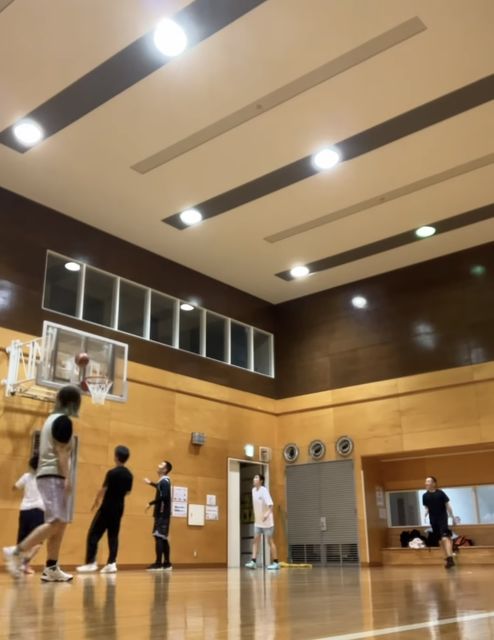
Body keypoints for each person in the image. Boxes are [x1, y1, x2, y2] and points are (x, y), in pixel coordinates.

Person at [3, 385, 81, 581]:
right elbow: (62, 452)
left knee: (60, 524)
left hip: (49, 475)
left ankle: (51, 567)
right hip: (54, 475)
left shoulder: (51, 420)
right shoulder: (63, 421)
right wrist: (68, 478)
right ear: (73, 403)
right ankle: (17, 551)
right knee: (55, 522)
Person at [76, 445, 133, 574]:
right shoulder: (129, 475)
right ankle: (112, 563)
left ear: (116, 457)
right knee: (113, 535)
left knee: (93, 533)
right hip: (119, 508)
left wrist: (96, 500)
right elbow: (128, 492)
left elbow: (104, 489)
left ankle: (90, 562)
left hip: (107, 507)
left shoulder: (112, 473)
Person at [12, 454, 45, 574]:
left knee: (22, 539)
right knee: (38, 541)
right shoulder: (45, 478)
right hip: (38, 510)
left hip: (25, 509)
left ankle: (19, 565)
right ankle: (25, 563)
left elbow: (14, 487)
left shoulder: (26, 476)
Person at [245, 474, 280, 570]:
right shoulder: (253, 490)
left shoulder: (264, 490)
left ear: (261, 481)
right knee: (255, 541)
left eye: (256, 477)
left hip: (267, 522)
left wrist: (267, 514)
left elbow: (271, 505)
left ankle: (276, 563)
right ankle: (253, 562)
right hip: (258, 522)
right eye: (254, 477)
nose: (254, 479)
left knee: (270, 542)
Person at [144, 461, 172, 571]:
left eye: (161, 465)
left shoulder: (165, 482)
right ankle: (167, 563)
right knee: (162, 538)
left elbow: (164, 497)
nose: (158, 465)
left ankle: (158, 563)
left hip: (162, 514)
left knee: (159, 537)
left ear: (165, 470)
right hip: (163, 514)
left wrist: (150, 503)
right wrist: (150, 483)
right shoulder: (163, 481)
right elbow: (159, 488)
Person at [423, 476, 455, 569]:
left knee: (444, 538)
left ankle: (450, 559)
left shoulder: (440, 493)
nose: (426, 483)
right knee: (440, 540)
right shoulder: (424, 496)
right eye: (425, 481)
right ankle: (447, 559)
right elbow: (427, 508)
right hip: (433, 520)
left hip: (442, 518)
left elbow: (448, 506)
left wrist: (452, 517)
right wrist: (425, 515)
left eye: (428, 481)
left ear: (434, 483)